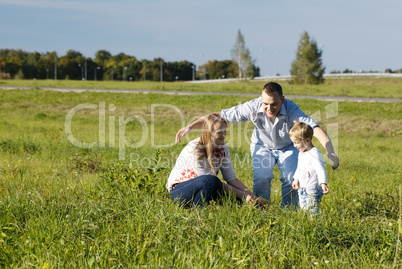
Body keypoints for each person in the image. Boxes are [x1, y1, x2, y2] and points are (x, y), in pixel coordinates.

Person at [175, 82, 338, 208]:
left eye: (274, 104)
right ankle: (262, 208)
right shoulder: (253, 106)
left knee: (290, 178)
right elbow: (218, 115)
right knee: (262, 177)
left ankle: (289, 211)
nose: (269, 108)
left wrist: (330, 151)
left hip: (288, 148)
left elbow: (314, 128)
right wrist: (190, 126)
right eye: (265, 103)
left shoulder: (292, 110)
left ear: (282, 100)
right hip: (262, 147)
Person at [167, 113, 266, 207]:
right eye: (219, 132)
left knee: (236, 199)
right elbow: (207, 180)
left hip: (205, 187)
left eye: (225, 131)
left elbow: (231, 178)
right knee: (211, 180)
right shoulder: (195, 148)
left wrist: (251, 196)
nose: (224, 135)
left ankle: (261, 207)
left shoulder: (222, 147)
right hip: (180, 191)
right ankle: (198, 212)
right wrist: (243, 195)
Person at [290, 122, 329, 215]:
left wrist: (323, 183)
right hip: (302, 187)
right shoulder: (301, 152)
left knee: (312, 209)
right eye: (293, 143)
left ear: (307, 140)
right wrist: (296, 179)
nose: (294, 146)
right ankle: (307, 223)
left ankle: (314, 225)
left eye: (296, 143)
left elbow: (320, 169)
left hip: (312, 188)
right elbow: (299, 168)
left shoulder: (314, 153)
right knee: (303, 208)